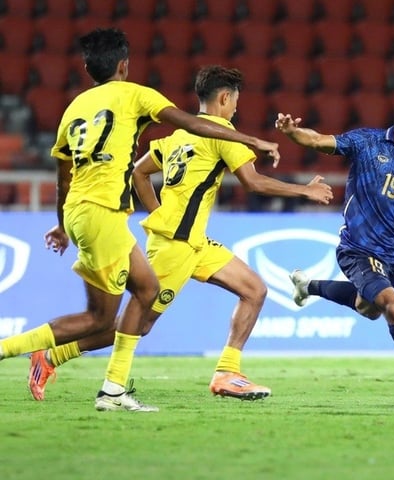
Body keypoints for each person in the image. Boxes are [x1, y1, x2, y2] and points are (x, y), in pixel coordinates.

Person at [0, 28, 281, 412]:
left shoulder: (74, 108)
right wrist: (252, 140)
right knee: (104, 319)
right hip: (104, 213)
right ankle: (32, 356)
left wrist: (64, 224)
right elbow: (193, 123)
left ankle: (113, 389)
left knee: (142, 294)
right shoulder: (135, 94)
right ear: (124, 65)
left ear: (88, 68)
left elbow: (63, 176)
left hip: (83, 211)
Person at [26, 65, 333, 404]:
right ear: (225, 98)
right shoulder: (222, 133)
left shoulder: (178, 135)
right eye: (235, 101)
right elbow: (253, 182)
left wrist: (158, 213)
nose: (235, 108)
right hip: (176, 246)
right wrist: (304, 191)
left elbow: (139, 173)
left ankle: (227, 373)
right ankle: (51, 356)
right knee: (137, 324)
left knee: (254, 289)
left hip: (195, 242)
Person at [275, 94, 394, 399]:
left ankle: (308, 286)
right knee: (393, 306)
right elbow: (319, 141)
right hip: (357, 248)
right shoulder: (367, 142)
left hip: (390, 256)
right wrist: (293, 133)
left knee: (369, 309)